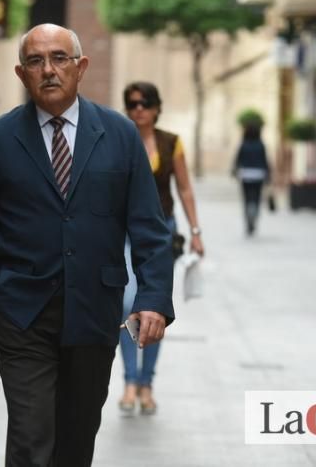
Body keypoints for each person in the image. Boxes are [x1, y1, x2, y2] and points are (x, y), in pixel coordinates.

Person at [0, 24, 174, 466]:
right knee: (31, 435)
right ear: (21, 73)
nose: (48, 70)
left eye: (59, 59)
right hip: (21, 313)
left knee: (76, 440)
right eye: (36, 61)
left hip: (94, 311)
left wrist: (152, 298)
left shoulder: (119, 134)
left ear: (81, 67)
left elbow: (150, 228)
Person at [116, 81, 204, 417]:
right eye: (132, 103)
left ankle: (146, 384)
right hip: (122, 233)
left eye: (144, 103)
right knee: (127, 303)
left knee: (154, 308)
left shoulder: (171, 143)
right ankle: (128, 380)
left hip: (160, 232)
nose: (138, 109)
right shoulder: (120, 139)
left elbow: (184, 188)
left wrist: (195, 231)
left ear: (156, 108)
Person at [233, 121, 270, 236]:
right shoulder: (261, 144)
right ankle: (254, 215)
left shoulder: (244, 144)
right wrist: (268, 173)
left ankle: (248, 217)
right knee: (257, 197)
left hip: (246, 174)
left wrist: (234, 170)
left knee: (247, 198)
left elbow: (238, 159)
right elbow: (265, 160)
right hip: (259, 174)